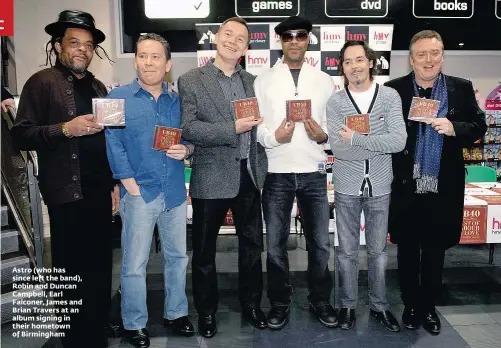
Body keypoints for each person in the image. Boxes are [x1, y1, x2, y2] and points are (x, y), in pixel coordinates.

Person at [11, 10, 118, 348]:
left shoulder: (100, 87)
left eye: (88, 45)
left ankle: (96, 330)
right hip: (65, 193)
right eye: (75, 43)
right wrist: (64, 129)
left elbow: (108, 141)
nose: (82, 50)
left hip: (100, 191)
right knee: (71, 271)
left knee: (100, 266)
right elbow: (21, 135)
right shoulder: (41, 82)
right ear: (58, 46)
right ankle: (73, 339)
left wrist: (115, 183)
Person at [385, 30, 487, 335]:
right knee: (406, 248)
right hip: (405, 184)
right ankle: (410, 305)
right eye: (422, 54)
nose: (429, 60)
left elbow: (479, 125)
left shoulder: (461, 88)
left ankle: (428, 307)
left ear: (442, 55)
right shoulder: (394, 90)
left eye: (435, 53)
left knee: (434, 249)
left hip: (443, 186)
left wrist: (454, 128)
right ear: (411, 59)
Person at [178, 17, 268, 338]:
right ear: (216, 37)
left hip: (249, 175)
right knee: (204, 253)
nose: (233, 41)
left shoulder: (255, 82)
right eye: (228, 34)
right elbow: (188, 128)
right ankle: (207, 312)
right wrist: (233, 128)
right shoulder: (190, 80)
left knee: (252, 248)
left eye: (240, 38)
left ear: (246, 47)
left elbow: (263, 129)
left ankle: (253, 305)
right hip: (211, 175)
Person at [105, 33, 194, 348]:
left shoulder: (178, 101)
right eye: (143, 55)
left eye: (156, 56)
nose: (148, 62)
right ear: (136, 60)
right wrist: (128, 183)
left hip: (173, 192)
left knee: (177, 257)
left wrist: (186, 149)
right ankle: (134, 323)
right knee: (134, 263)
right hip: (139, 194)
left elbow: (190, 136)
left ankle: (176, 313)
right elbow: (112, 142)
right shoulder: (116, 98)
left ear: (167, 64)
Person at [254, 15, 337, 330]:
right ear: (279, 41)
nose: (293, 41)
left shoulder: (324, 80)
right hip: (276, 173)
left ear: (307, 40)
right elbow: (257, 129)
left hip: (314, 172)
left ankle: (320, 300)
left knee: (320, 244)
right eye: (287, 36)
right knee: (275, 245)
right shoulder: (263, 80)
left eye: (300, 36)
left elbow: (330, 126)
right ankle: (279, 303)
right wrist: (275, 137)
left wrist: (323, 136)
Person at [326, 40, 406, 332]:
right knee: (346, 252)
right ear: (342, 68)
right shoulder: (336, 102)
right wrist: (376, 142)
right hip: (347, 185)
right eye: (347, 62)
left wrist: (358, 138)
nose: (354, 66)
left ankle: (379, 306)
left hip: (381, 185)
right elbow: (339, 149)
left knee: (378, 253)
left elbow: (398, 141)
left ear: (370, 62)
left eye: (359, 59)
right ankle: (347, 305)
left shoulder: (389, 97)